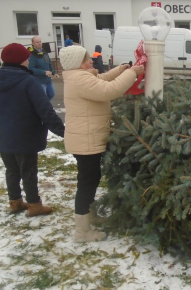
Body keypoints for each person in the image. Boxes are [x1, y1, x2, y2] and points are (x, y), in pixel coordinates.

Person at [59, 45, 144, 242]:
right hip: (85, 140)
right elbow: (109, 90)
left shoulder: (78, 77)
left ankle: (91, 215)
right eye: (87, 59)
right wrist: (131, 73)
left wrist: (120, 70)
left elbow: (101, 80)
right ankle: (82, 232)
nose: (91, 61)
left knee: (91, 178)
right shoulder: (79, 79)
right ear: (78, 63)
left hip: (84, 138)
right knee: (87, 182)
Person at [0, 43, 65, 217]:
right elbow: (45, 110)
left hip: (3, 137)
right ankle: (35, 205)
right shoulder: (28, 81)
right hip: (25, 135)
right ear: (21, 61)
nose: (29, 62)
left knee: (11, 170)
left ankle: (15, 202)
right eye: (27, 59)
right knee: (28, 171)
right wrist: (63, 131)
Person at [28, 36, 59, 101]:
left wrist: (54, 73)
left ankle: (45, 107)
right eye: (37, 42)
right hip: (39, 81)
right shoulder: (32, 54)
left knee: (51, 94)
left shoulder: (44, 52)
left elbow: (49, 64)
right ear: (33, 43)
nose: (39, 43)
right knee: (42, 98)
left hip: (48, 80)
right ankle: (44, 108)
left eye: (40, 41)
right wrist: (44, 72)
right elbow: (31, 69)